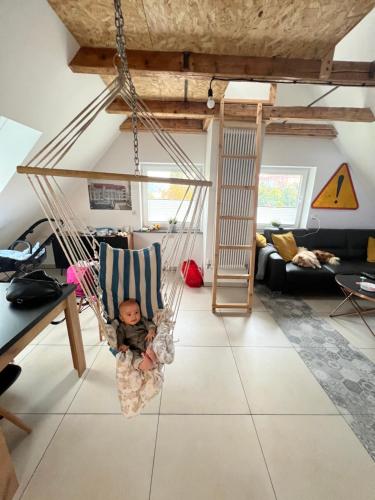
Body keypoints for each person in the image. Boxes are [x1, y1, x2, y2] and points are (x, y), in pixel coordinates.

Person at [116, 299, 158, 371]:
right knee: (132, 356)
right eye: (129, 314)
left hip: (145, 340)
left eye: (136, 312)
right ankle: (143, 364)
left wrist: (151, 330)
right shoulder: (122, 327)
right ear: (122, 318)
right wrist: (121, 345)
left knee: (151, 343)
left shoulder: (142, 320)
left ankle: (152, 355)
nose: (134, 316)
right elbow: (120, 337)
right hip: (133, 347)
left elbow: (150, 324)